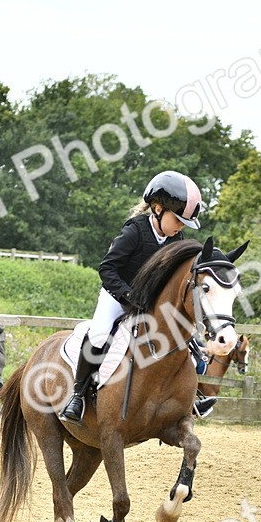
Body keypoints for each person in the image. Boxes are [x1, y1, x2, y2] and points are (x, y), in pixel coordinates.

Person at [59, 170, 203, 425]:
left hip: (150, 303)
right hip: (118, 296)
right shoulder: (135, 231)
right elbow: (107, 269)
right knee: (100, 334)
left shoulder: (176, 239)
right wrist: (128, 294)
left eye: (184, 222)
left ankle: (189, 397)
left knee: (183, 338)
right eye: (178, 219)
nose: (181, 226)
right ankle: (78, 395)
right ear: (157, 209)